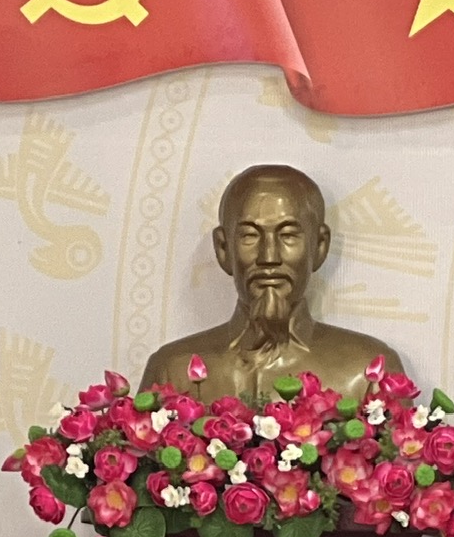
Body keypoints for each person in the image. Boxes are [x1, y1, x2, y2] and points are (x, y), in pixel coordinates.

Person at [141, 163, 407, 403]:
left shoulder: (369, 372)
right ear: (223, 249)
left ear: (319, 246)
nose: (269, 257)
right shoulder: (172, 371)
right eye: (250, 236)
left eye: (288, 235)